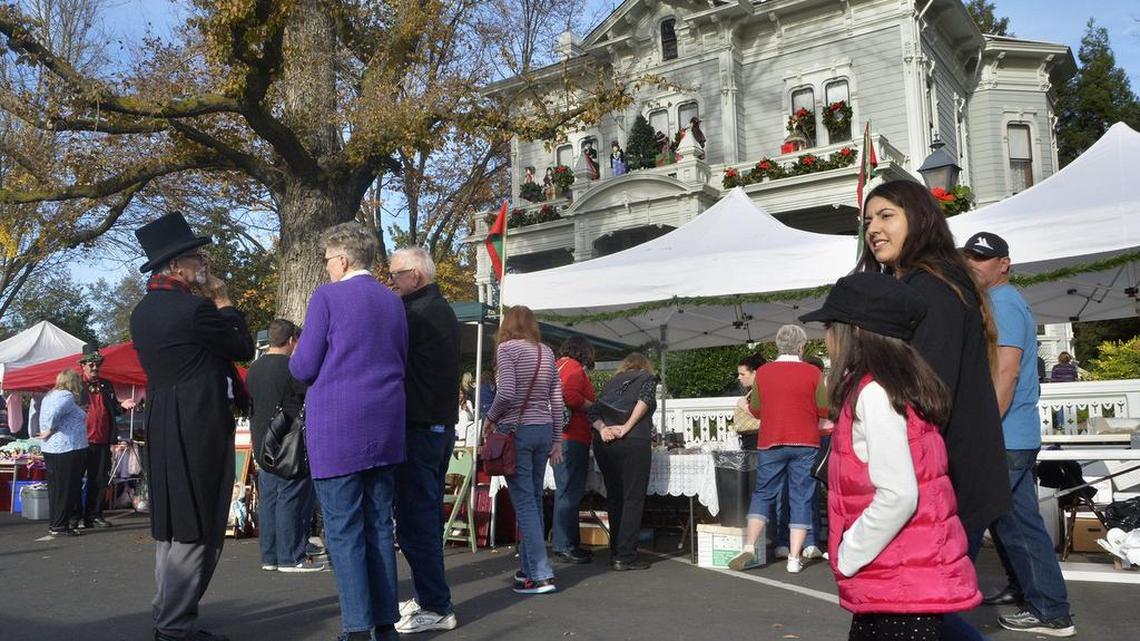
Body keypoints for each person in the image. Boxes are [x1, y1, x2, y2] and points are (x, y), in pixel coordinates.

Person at [800, 271, 982, 641]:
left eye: (831, 326)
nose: (827, 337)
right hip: (905, 574)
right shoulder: (900, 386)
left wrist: (850, 551)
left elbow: (899, 494)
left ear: (855, 331)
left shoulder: (874, 393)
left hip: (896, 577)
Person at [857, 180, 1011, 540]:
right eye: (868, 221)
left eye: (886, 216)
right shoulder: (925, 282)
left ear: (919, 218)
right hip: (936, 472)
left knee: (928, 591)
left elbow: (927, 387)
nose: (873, 229)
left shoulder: (933, 286)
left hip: (939, 474)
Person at [130, 212, 256, 641]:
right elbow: (241, 345)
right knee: (198, 519)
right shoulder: (195, 308)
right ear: (178, 265)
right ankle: (174, 623)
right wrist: (223, 300)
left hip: (166, 415)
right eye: (197, 256)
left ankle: (169, 613)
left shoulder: (143, 311)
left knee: (172, 518)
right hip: (197, 418)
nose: (204, 262)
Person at [289, 222, 408, 641]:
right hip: (386, 424)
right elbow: (401, 357)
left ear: (341, 258)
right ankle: (384, 624)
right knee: (379, 525)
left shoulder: (327, 297)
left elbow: (303, 366)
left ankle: (357, 627)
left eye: (326, 260)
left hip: (338, 427)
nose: (325, 268)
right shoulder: (394, 302)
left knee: (343, 530)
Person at [962, 232, 1076, 637]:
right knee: (1013, 523)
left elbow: (1006, 374)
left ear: (1004, 264)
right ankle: (1033, 596)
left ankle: (1049, 610)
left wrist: (982, 433)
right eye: (969, 257)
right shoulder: (998, 302)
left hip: (1005, 436)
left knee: (979, 522)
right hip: (1013, 435)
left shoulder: (1003, 303)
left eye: (982, 258)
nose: (973, 264)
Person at [386, 246, 461, 634]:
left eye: (395, 274)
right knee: (422, 520)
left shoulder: (416, 314)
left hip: (420, 429)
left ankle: (436, 604)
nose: (391, 281)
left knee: (417, 524)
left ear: (415, 275)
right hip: (434, 427)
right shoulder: (437, 310)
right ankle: (430, 596)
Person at [728, 325, 826, 574]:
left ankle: (749, 545)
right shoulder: (813, 373)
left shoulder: (765, 373)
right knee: (801, 497)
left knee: (763, 493)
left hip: (771, 441)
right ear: (802, 347)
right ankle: (794, 558)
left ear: (777, 345)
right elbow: (824, 410)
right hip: (806, 442)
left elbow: (757, 410)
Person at [482, 305, 565, 594]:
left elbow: (506, 392)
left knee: (526, 503)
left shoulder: (507, 350)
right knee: (534, 500)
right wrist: (557, 438)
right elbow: (557, 397)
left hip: (517, 431)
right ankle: (531, 569)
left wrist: (490, 418)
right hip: (542, 430)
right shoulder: (546, 352)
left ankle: (541, 574)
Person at [246, 319, 323, 574]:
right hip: (289, 441)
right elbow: (308, 399)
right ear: (291, 340)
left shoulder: (254, 368)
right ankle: (291, 557)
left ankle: (270, 555)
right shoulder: (293, 367)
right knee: (291, 497)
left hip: (262, 442)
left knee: (269, 500)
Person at [589, 352, 657, 571]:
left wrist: (603, 429)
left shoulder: (610, 383)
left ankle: (615, 550)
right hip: (633, 440)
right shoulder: (646, 378)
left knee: (615, 497)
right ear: (644, 366)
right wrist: (627, 427)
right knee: (633, 497)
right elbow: (645, 401)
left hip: (606, 443)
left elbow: (593, 411)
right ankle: (625, 555)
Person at [76, 346, 137, 529]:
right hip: (80, 440)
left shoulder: (106, 385)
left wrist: (123, 405)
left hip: (102, 440)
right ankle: (74, 516)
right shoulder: (76, 384)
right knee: (75, 479)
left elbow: (114, 409)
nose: (95, 369)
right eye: (91, 365)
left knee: (99, 479)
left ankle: (93, 515)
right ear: (83, 366)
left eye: (97, 365)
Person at [552, 335, 597, 565]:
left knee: (564, 490)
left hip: (559, 436)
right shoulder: (573, 368)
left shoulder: (558, 365)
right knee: (569, 491)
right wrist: (593, 406)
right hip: (572, 437)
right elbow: (570, 396)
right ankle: (565, 545)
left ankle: (568, 542)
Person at [37, 369, 89, 538]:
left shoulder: (50, 395)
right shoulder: (66, 396)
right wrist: (50, 429)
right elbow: (55, 413)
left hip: (52, 449)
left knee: (56, 488)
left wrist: (46, 431)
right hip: (68, 448)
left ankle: (56, 523)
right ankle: (60, 525)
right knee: (67, 488)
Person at [734, 353, 766, 451]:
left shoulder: (762, 392)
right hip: (752, 441)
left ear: (755, 373)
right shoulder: (755, 391)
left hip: (757, 442)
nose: (739, 377)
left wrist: (743, 406)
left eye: (742, 374)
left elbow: (762, 414)